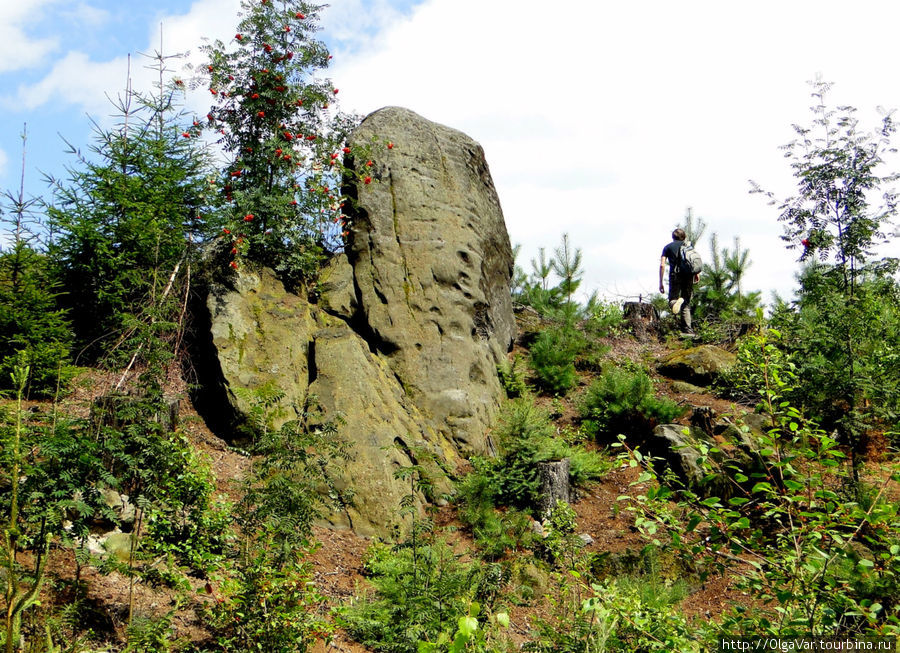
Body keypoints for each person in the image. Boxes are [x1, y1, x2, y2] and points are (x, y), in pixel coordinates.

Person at [659, 228, 700, 335]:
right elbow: (692, 260)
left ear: (673, 237)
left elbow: (662, 265)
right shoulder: (688, 246)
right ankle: (688, 330)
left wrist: (661, 282)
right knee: (686, 302)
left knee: (672, 299)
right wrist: (696, 274)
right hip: (688, 275)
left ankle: (675, 303)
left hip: (675, 275)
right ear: (684, 237)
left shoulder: (667, 247)